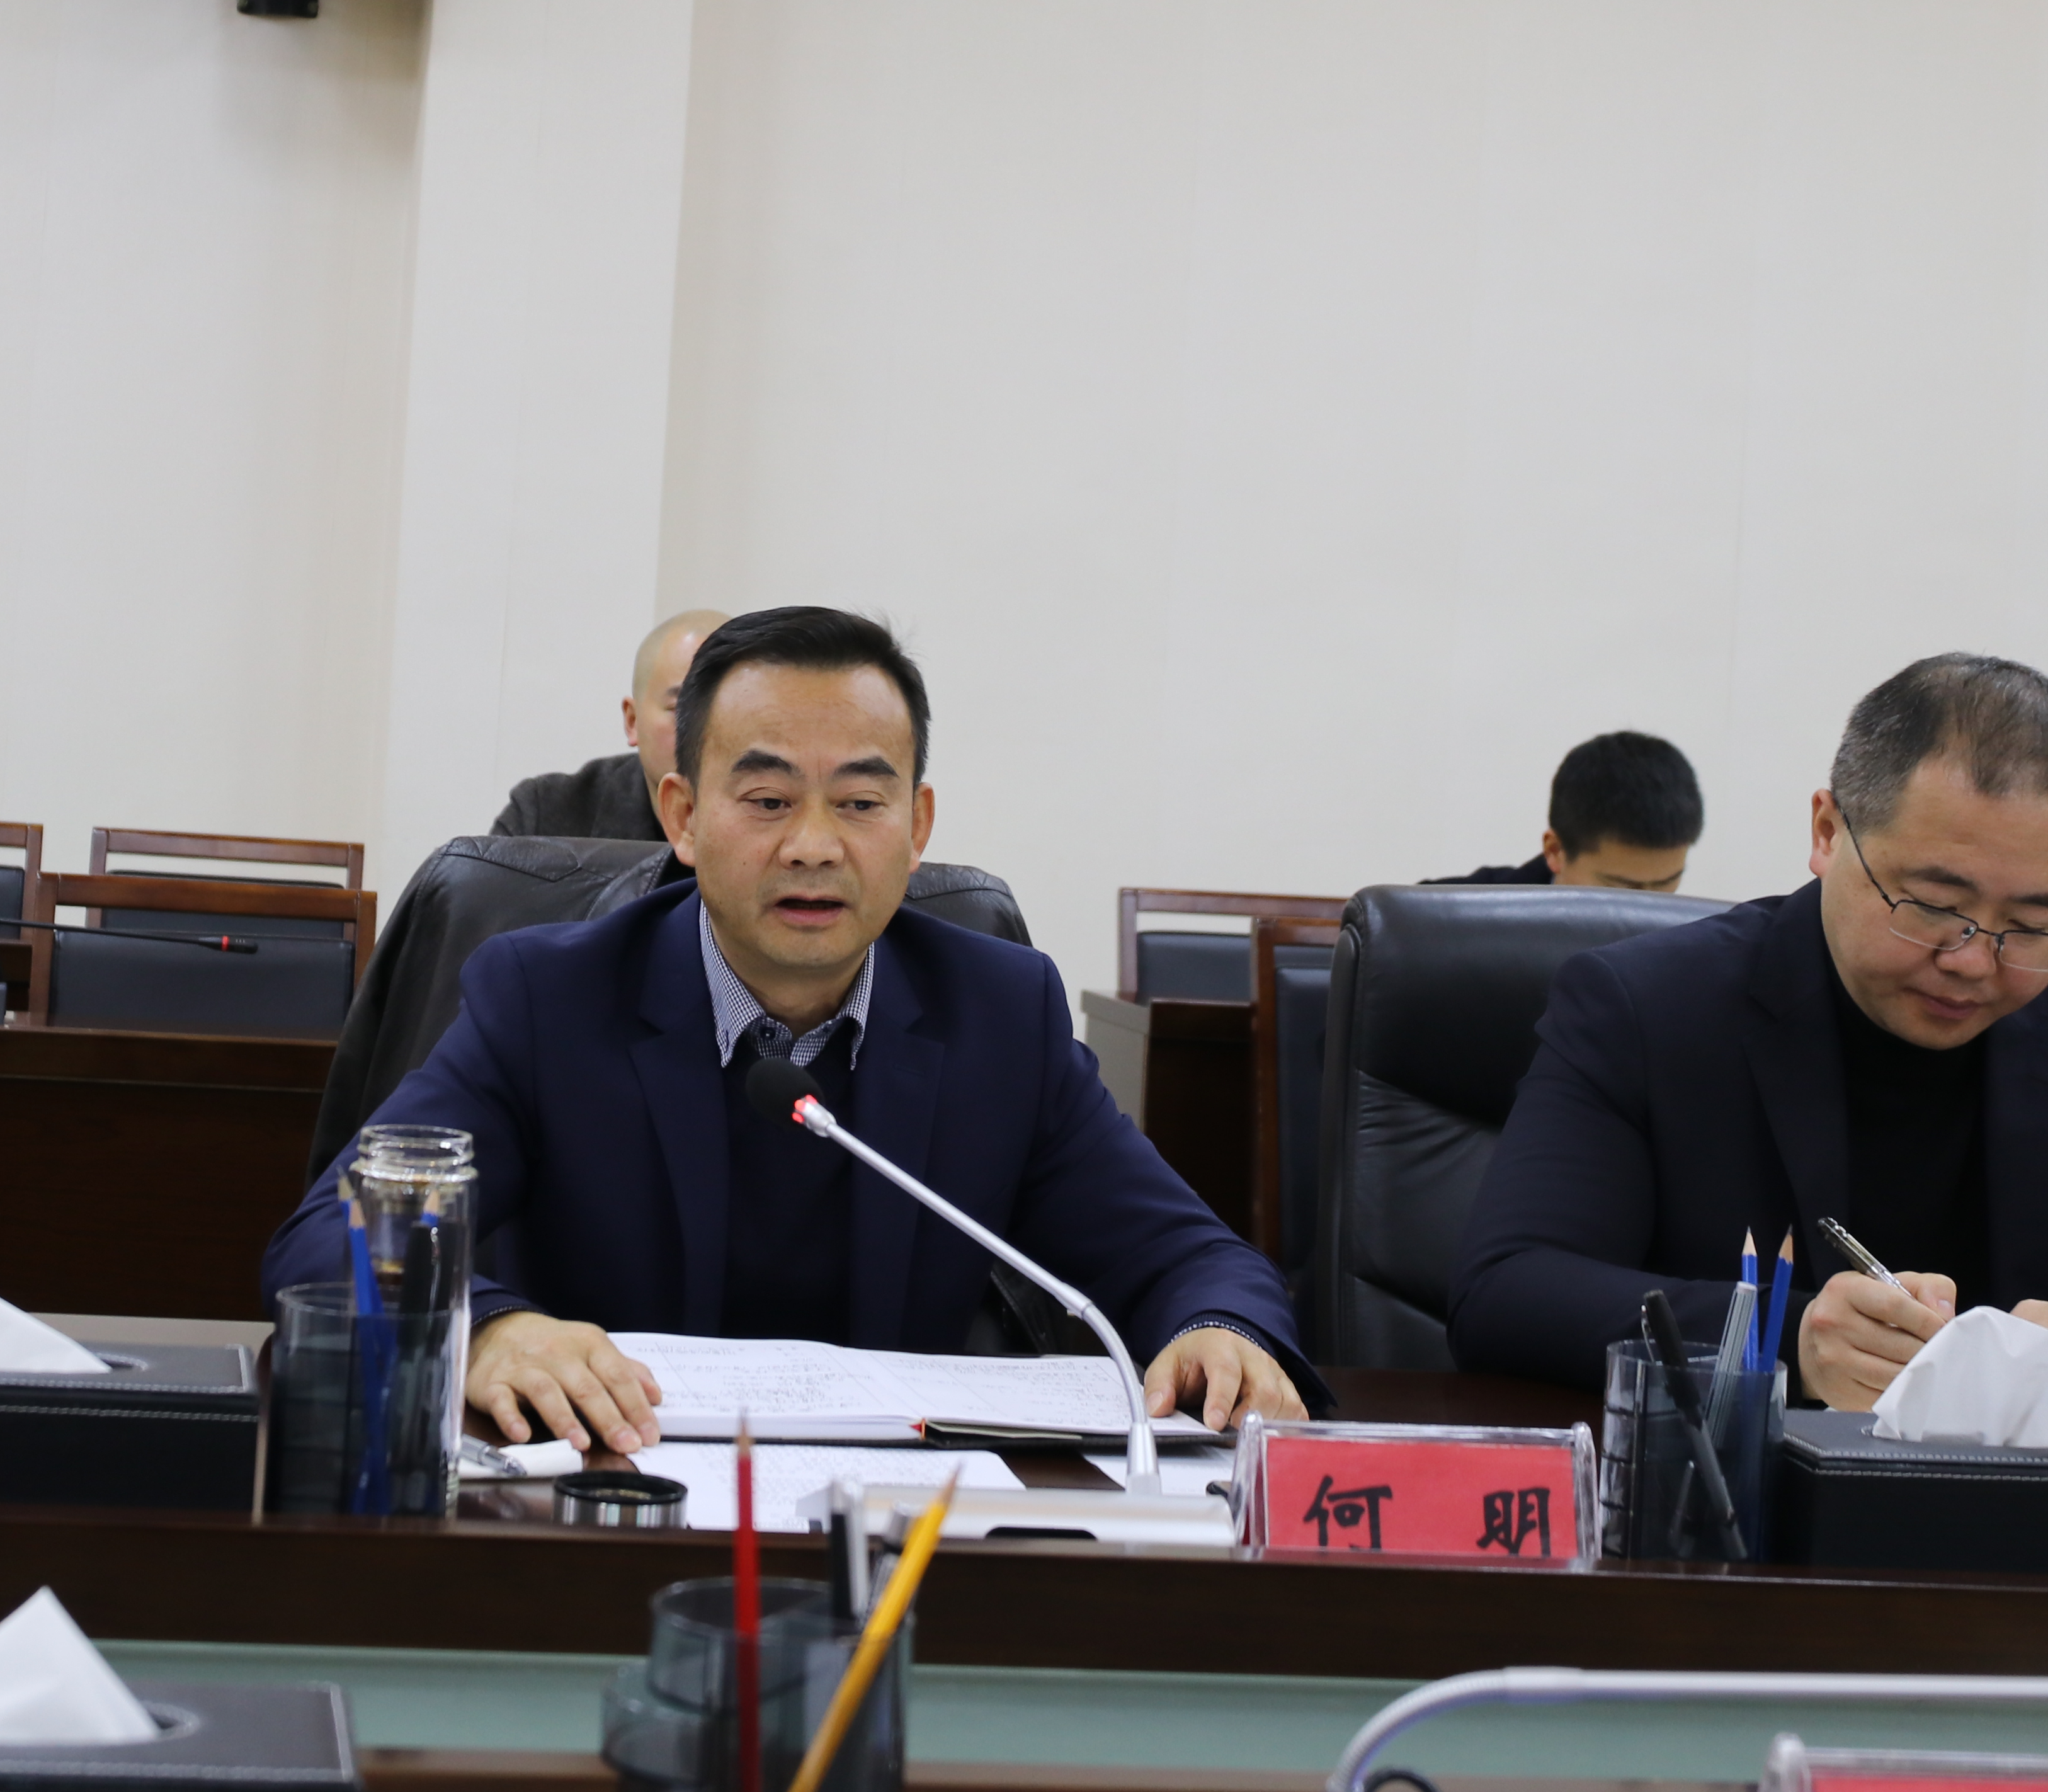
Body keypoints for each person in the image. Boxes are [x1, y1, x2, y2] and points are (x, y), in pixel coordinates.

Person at [268, 606, 1315, 1452]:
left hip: (898, 1532)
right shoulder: (551, 999)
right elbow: (331, 1235)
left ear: (917, 827)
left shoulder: (999, 1015)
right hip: (612, 1501)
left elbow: (1191, 1257)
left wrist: (1221, 1332)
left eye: (860, 804)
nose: (814, 846)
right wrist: (490, 1329)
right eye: (767, 800)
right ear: (683, 817)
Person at [1451, 653, 2048, 1408]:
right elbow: (1507, 1290)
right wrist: (1784, 1339)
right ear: (1828, 833)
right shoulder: (1649, 1006)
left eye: (2035, 923)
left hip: (2024, 1539)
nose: (1975, 960)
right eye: (1934, 905)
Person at [488, 608, 727, 842]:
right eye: (682, 709)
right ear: (633, 721)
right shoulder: (542, 821)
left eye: (729, 710)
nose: (708, 732)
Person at [1433, 731, 1703, 890]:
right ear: (1555, 851)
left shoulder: (1703, 948)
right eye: (1622, 889)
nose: (1646, 915)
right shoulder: (1436, 926)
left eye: (1667, 884)